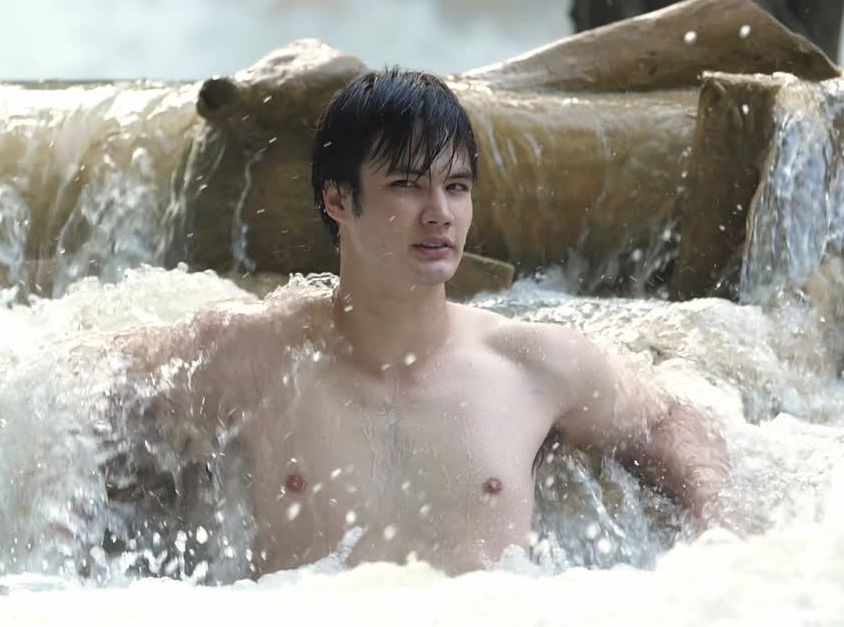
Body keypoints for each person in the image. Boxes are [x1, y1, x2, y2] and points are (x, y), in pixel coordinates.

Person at [114, 67, 730, 576]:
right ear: (337, 199)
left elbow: (671, 418)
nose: (440, 214)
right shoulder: (253, 356)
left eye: (456, 187)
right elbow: (81, 405)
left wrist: (722, 533)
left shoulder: (531, 366)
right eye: (408, 186)